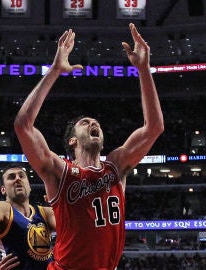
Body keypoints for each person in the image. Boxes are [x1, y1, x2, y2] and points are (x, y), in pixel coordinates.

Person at [14, 23, 164, 270]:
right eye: (85, 123)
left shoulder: (116, 165)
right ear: (72, 140)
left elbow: (154, 127)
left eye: (96, 123)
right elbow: (23, 126)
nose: (93, 123)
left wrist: (144, 70)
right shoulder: (60, 172)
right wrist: (54, 70)